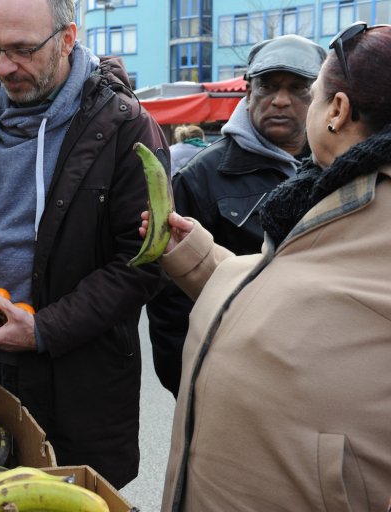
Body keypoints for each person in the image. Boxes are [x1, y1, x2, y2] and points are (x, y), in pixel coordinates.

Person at [0, 0, 168, 489]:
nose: (6, 67)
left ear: (67, 39)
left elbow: (142, 261)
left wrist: (46, 328)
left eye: (23, 50)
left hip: (77, 377)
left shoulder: (127, 126)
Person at [147, 23, 391, 511]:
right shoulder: (318, 187)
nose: (282, 102)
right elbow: (276, 287)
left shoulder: (347, 197)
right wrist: (197, 254)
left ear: (336, 111)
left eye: (306, 90)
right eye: (267, 86)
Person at [146, 34, 326, 397]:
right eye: (267, 86)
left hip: (318, 378)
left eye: (297, 88)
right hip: (233, 381)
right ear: (247, 92)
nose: (280, 99)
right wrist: (193, 386)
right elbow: (170, 304)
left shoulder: (340, 166)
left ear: (319, 96)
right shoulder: (199, 178)